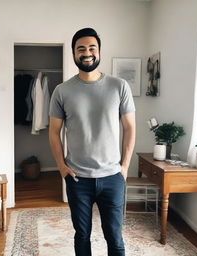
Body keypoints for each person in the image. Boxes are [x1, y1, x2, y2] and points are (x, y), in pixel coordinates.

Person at [49, 28, 136, 256]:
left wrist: (124, 167)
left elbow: (129, 128)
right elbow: (53, 132)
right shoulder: (61, 91)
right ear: (74, 54)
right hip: (78, 178)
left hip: (112, 177)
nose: (87, 53)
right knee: (82, 235)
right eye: (81, 49)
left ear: (99, 52)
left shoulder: (119, 86)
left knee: (115, 237)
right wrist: (61, 167)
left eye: (91, 48)